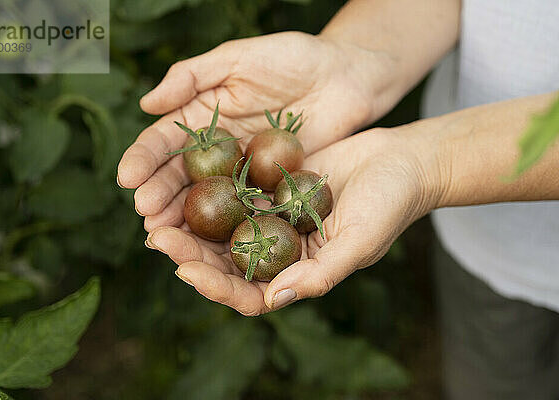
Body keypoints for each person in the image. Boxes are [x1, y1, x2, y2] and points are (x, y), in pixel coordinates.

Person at [117, 1, 559, 398]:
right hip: (491, 245)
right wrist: (352, 57)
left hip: (490, 217)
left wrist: (431, 163)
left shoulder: (261, 202)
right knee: (498, 366)